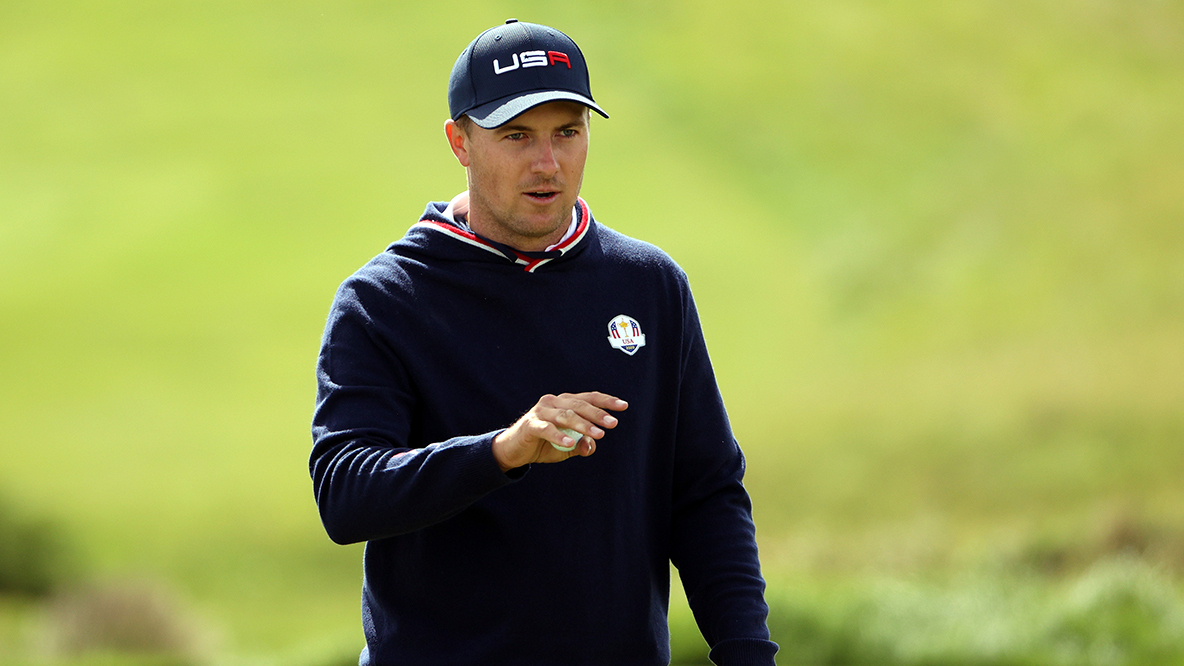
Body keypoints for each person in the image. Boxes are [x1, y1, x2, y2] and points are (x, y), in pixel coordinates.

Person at [310, 19, 778, 666]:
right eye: (516, 136)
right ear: (460, 142)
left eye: (567, 132)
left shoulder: (649, 285)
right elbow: (345, 493)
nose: (547, 163)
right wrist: (504, 451)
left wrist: (747, 653)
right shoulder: (385, 301)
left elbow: (705, 494)